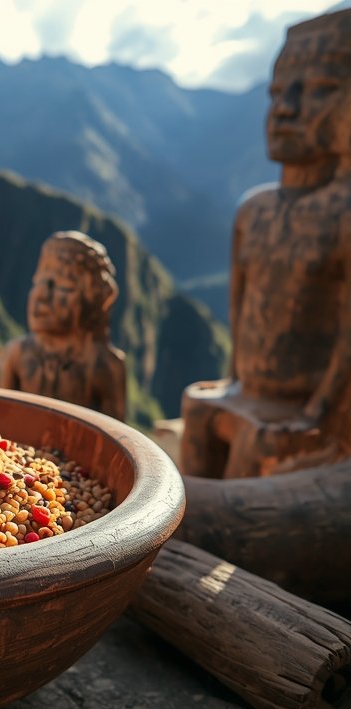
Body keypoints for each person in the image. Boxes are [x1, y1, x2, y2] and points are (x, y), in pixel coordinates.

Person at [180, 9, 351, 479]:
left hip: (313, 409)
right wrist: (233, 380)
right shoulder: (252, 210)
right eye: (277, 92)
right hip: (248, 389)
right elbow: (241, 308)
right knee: (197, 407)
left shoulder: (345, 213)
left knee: (253, 446)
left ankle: (202, 530)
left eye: (317, 90)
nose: (285, 108)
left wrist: (319, 413)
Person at [0, 230, 126, 421]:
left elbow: (116, 436)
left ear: (93, 299)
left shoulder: (103, 365)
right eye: (39, 281)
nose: (40, 295)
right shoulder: (17, 353)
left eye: (64, 286)